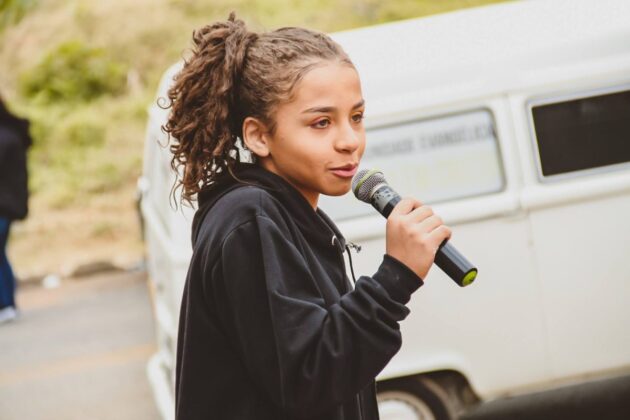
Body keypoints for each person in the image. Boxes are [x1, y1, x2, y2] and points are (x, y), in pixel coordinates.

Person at [165, 12, 452, 420]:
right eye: (321, 123)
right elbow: (308, 377)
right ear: (258, 136)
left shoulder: (285, 214)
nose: (349, 141)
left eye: (356, 117)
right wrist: (395, 277)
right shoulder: (252, 219)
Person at [0, 94, 31, 324]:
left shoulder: (5, 138)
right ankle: (8, 302)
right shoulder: (12, 134)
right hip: (10, 205)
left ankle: (6, 303)